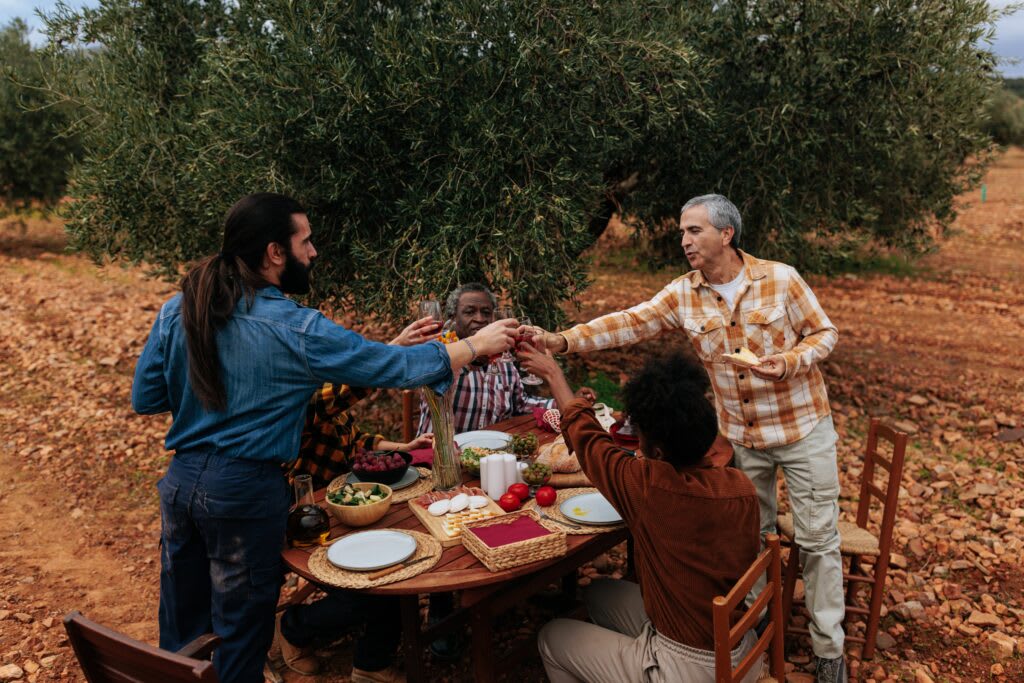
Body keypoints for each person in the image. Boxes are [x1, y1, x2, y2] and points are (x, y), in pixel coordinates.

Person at [131, 193, 516, 683]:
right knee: (240, 637)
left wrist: (216, 387)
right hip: (245, 493)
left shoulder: (180, 307)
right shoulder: (295, 326)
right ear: (275, 252)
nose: (313, 252)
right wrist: (476, 344)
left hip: (182, 483)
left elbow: (146, 397)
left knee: (182, 634)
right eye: (305, 241)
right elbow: (396, 369)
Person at [533, 194, 846, 683]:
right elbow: (630, 322)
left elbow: (823, 335)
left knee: (819, 538)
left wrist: (790, 361)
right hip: (739, 436)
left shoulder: (781, 278)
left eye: (694, 231)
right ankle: (750, 626)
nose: (684, 240)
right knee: (752, 533)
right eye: (682, 232)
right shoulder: (683, 293)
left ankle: (830, 649)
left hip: (802, 426)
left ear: (726, 234)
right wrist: (564, 340)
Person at [518, 347, 762, 682]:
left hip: (689, 666)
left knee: (552, 636)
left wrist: (554, 374)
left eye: (640, 434)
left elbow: (590, 441)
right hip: (738, 642)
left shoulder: (650, 490)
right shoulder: (740, 484)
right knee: (599, 592)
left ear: (657, 451)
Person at [416, 282, 594, 435]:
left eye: (486, 312)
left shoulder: (503, 357)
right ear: (453, 318)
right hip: (440, 460)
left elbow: (520, 404)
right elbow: (439, 383)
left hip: (488, 456)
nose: (479, 319)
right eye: (469, 312)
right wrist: (474, 356)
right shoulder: (441, 350)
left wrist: (566, 401)